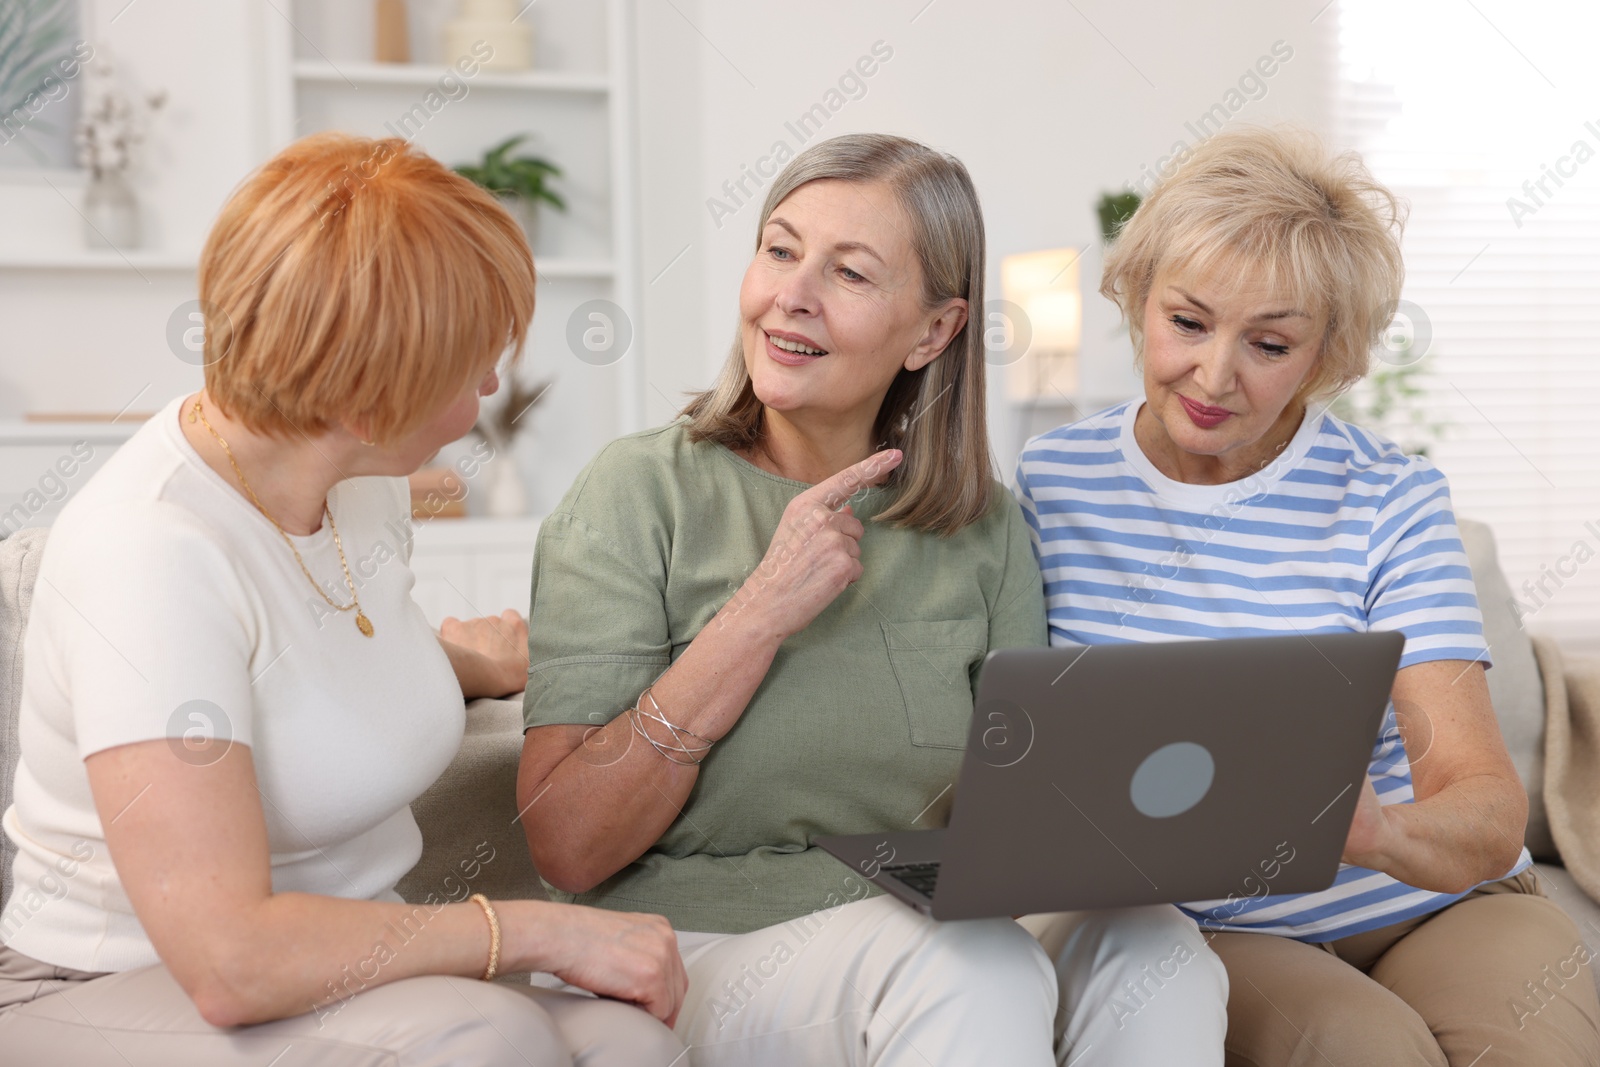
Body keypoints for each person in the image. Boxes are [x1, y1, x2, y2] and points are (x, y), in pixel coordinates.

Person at [516, 132, 1227, 1066]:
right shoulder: (638, 492)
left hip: (926, 924)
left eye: (848, 273)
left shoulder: (981, 526)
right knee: (974, 964)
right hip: (694, 949)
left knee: (1159, 947)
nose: (791, 294)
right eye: (779, 249)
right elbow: (566, 845)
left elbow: (1021, 816)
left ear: (934, 331)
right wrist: (759, 611)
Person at [0, 133, 686, 1066]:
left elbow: (298, 660)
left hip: (346, 961)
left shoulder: (360, 482)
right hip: (112, 984)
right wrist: (534, 929)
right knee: (490, 1038)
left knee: (628, 1041)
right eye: (474, 364)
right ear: (369, 403)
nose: (492, 385)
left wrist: (467, 662)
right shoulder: (149, 555)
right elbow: (230, 961)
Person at [1015, 124, 1600, 1066]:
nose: (1213, 376)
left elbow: (1485, 807)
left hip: (1429, 901)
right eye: (1188, 321)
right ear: (1137, 296)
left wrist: (1377, 830)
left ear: (1328, 354)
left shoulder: (1389, 498)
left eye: (1270, 343)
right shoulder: (1054, 484)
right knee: (1357, 1043)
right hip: (1210, 925)